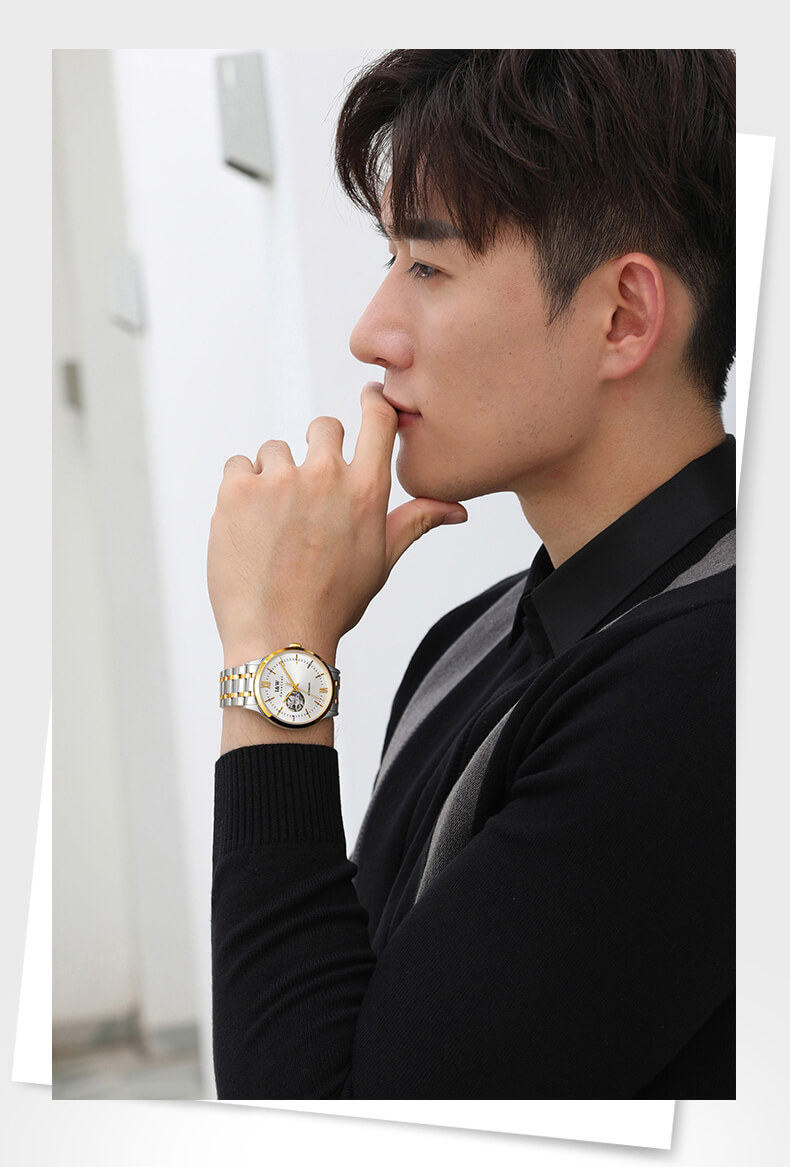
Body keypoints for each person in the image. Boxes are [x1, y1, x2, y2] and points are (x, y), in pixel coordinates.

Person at [207, 49, 735, 1099]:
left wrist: (277, 659)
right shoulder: (477, 635)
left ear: (623, 318)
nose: (370, 333)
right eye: (389, 256)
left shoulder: (704, 685)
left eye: (429, 267)